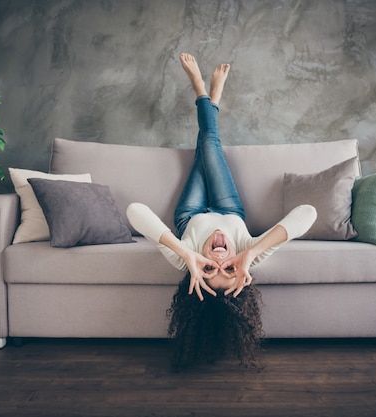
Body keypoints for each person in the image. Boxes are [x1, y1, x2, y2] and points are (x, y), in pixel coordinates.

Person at [127, 53, 317, 369]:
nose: (218, 262)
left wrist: (187, 257)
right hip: (229, 207)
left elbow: (135, 211)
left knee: (208, 145)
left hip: (190, 212)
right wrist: (250, 253)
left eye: (208, 271)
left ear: (196, 274)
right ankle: (205, 94)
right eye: (228, 271)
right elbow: (308, 212)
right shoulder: (247, 255)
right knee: (209, 144)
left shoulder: (183, 257)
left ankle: (206, 93)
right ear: (240, 273)